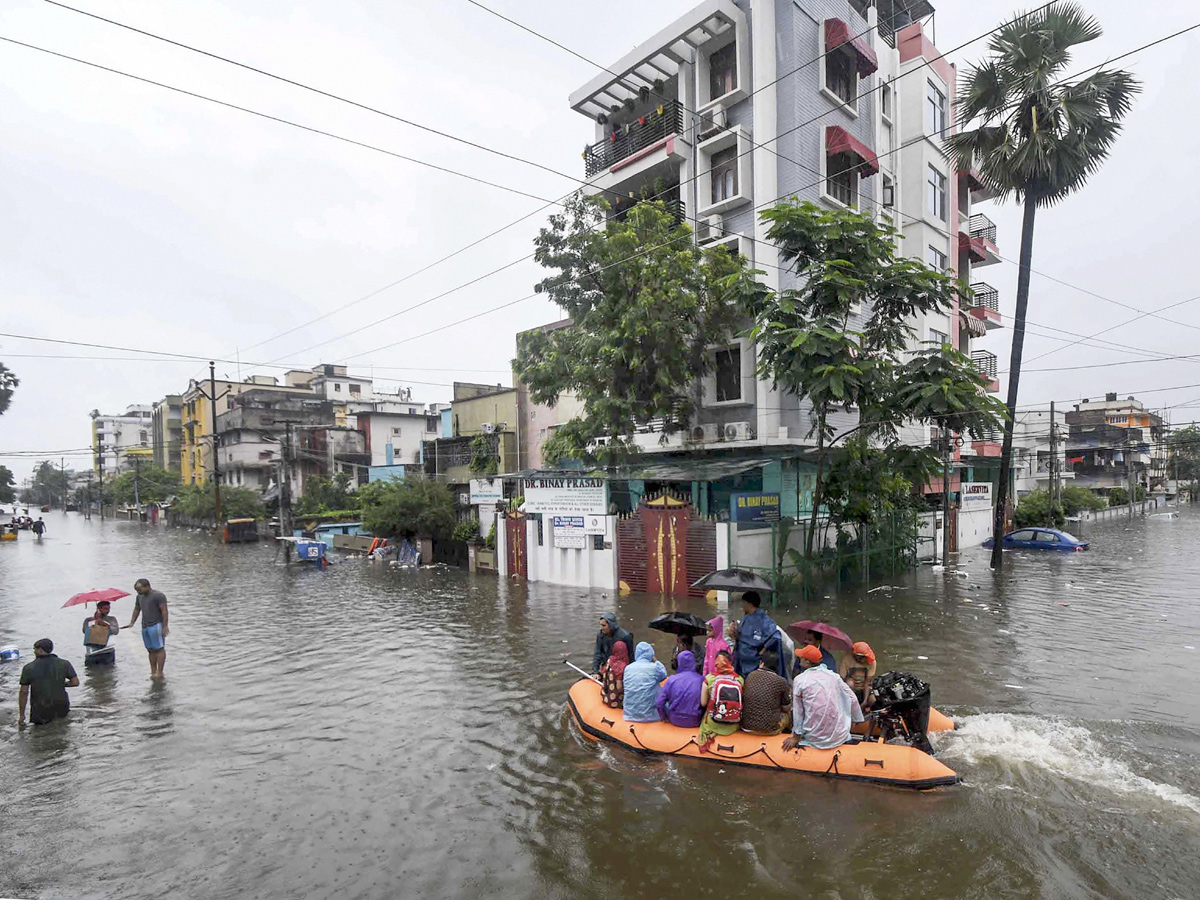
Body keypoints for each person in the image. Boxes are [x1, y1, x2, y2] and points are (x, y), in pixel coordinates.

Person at [783, 645, 864, 751]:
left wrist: (796, 737)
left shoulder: (800, 680)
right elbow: (852, 698)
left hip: (815, 738)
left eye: (801, 658)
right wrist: (857, 719)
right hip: (839, 736)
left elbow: (798, 712)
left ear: (807, 662)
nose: (799, 660)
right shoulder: (834, 676)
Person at [18, 639, 78, 727]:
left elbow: (23, 692)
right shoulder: (64, 664)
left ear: (40, 650)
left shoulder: (28, 668)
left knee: (40, 735)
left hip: (41, 709)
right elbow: (75, 682)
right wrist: (60, 683)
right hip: (61, 706)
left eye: (35, 649)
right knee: (62, 729)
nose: (34, 651)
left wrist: (22, 715)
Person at [696, 650, 743, 751]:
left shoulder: (709, 679)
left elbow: (703, 703)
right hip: (733, 725)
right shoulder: (740, 680)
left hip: (713, 723)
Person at [740, 648, 792, 736]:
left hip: (745, 725)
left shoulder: (750, 675)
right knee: (787, 715)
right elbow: (786, 707)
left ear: (761, 663)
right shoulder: (781, 681)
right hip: (769, 729)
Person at [734, 592, 785, 678]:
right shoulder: (745, 619)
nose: (742, 606)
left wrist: (764, 650)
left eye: (743, 603)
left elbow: (776, 636)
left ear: (749, 603)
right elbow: (742, 638)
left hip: (754, 663)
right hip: (741, 663)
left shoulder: (764, 620)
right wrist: (734, 633)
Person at [127, 578, 169, 678]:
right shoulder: (139, 597)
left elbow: (164, 611)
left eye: (139, 589)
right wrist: (132, 622)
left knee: (159, 648)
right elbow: (137, 609)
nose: (138, 591)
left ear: (147, 586)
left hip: (156, 624)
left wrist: (165, 626)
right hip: (145, 625)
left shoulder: (158, 595)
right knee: (150, 649)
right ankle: (153, 670)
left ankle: (160, 671)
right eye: (136, 590)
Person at [655, 650, 704, 727]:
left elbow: (659, 703)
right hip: (695, 719)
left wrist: (663, 717)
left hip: (675, 719)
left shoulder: (671, 680)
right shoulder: (701, 680)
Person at [622, 641, 667, 723]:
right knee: (660, 689)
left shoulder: (627, 668)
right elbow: (663, 675)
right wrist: (655, 660)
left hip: (629, 714)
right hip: (650, 715)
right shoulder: (654, 668)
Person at [839, 641, 877, 709]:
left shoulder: (871, 662)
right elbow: (842, 678)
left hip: (864, 687)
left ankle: (864, 708)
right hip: (851, 687)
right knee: (850, 683)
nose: (865, 660)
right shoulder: (846, 659)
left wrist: (865, 701)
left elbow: (867, 683)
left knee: (873, 700)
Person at [600, 641, 629, 709]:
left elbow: (603, 671)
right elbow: (619, 687)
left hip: (606, 695)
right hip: (615, 700)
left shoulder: (610, 660)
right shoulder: (622, 666)